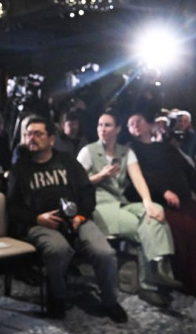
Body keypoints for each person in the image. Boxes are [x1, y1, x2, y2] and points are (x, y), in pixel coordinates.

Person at [7, 116, 128, 323]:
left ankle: (110, 301)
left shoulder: (68, 161)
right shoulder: (20, 168)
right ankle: (57, 297)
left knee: (105, 253)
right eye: (28, 134)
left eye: (38, 134)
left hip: (76, 219)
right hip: (40, 223)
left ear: (51, 139)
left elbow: (87, 192)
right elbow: (11, 207)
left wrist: (81, 215)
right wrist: (37, 218)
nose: (31, 138)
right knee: (58, 249)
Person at [76, 111, 180, 309]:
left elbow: (138, 179)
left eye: (108, 125)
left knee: (156, 211)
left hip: (120, 203)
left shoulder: (126, 152)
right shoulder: (88, 151)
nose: (102, 129)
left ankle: (157, 268)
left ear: (117, 129)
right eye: (100, 125)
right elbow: (75, 183)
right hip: (98, 206)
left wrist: (148, 203)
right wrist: (99, 176)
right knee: (147, 224)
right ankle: (152, 280)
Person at [127, 113, 196, 296]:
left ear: (149, 125)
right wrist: (163, 191)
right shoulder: (131, 149)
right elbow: (143, 176)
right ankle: (194, 282)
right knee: (191, 229)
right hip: (157, 201)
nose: (135, 125)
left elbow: (186, 168)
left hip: (182, 198)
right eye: (131, 124)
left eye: (139, 121)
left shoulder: (164, 146)